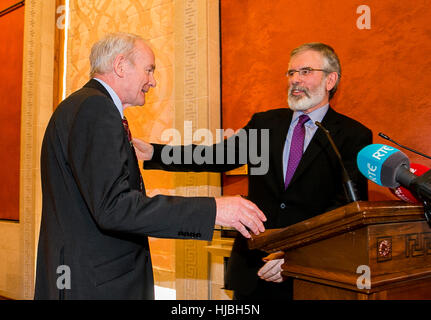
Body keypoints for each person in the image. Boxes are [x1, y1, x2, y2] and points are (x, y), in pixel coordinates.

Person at [34, 32, 267, 300]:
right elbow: (114, 207)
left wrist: (156, 153)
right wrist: (213, 210)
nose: (153, 81)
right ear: (120, 66)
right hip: (95, 284)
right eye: (149, 70)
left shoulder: (82, 105)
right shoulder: (96, 108)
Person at [133, 42, 373, 300]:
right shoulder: (267, 124)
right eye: (291, 73)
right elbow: (216, 156)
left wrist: (295, 257)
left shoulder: (352, 136)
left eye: (305, 72)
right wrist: (155, 153)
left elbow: (346, 211)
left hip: (310, 274)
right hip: (253, 269)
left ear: (330, 80)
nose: (295, 80)